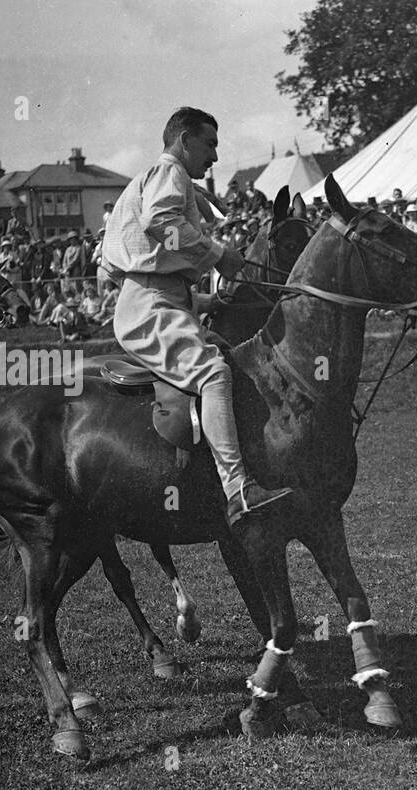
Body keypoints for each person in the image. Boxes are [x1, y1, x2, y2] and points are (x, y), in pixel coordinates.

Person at [102, 106, 294, 524]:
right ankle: (237, 490)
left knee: (234, 362)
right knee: (213, 374)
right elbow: (159, 222)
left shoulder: (157, 179)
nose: (215, 158)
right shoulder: (169, 173)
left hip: (162, 299)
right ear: (184, 140)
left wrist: (203, 303)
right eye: (209, 145)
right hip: (151, 304)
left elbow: (140, 261)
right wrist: (217, 254)